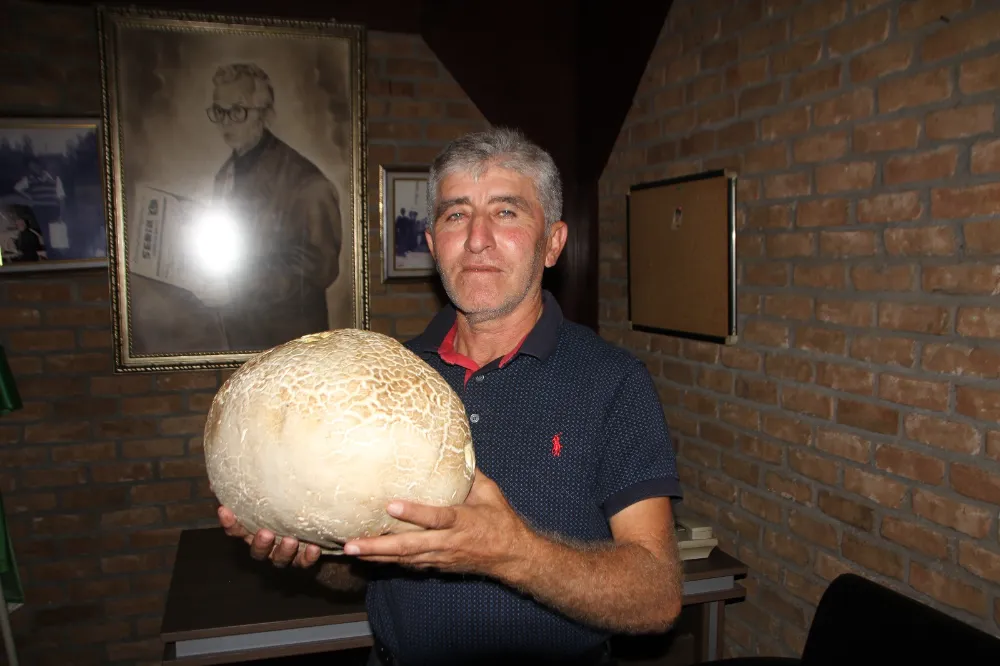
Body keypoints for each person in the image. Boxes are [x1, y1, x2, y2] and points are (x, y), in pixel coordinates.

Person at [218, 127, 684, 665]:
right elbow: (363, 572)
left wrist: (511, 553)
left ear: (553, 243)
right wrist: (315, 548)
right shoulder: (382, 381)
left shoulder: (612, 382)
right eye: (456, 215)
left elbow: (657, 597)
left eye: (506, 212)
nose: (477, 238)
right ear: (432, 242)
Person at [197, 62, 343, 351]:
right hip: (243, 339)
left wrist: (237, 286)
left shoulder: (306, 180)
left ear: (264, 113)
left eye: (237, 111)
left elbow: (318, 268)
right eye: (219, 111)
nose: (226, 122)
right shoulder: (225, 175)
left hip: (293, 348)